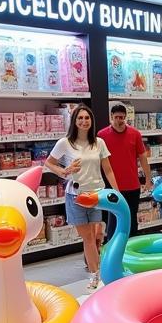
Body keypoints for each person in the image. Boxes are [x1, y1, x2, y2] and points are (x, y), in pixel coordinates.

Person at [46, 104, 120, 289]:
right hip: (76, 196)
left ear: (91, 121)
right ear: (74, 121)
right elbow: (49, 162)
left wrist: (117, 192)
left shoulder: (99, 142)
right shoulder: (65, 143)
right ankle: (96, 276)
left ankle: (98, 272)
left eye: (87, 118)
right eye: (80, 118)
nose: (84, 121)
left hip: (97, 195)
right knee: (88, 238)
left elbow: (108, 169)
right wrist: (64, 171)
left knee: (97, 236)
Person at [98, 103, 152, 240]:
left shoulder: (135, 134)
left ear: (126, 117)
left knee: (131, 218)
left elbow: (143, 157)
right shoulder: (102, 135)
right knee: (113, 219)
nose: (119, 120)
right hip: (112, 186)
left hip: (133, 185)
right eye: (116, 117)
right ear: (111, 117)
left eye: (122, 117)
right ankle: (112, 247)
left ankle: (131, 247)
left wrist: (147, 178)